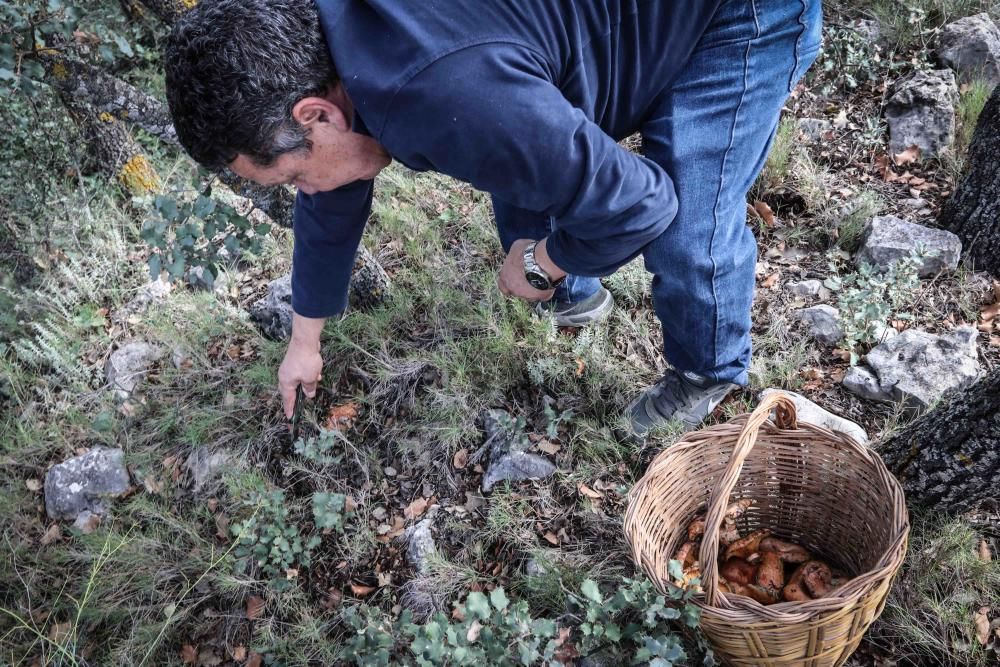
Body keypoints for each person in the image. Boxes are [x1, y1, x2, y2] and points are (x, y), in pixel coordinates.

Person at [164, 0, 822, 437]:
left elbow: (641, 203)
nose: (308, 190)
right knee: (519, 166)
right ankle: (573, 301)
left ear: (318, 115)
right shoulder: (330, 48)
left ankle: (708, 368)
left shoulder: (444, 91)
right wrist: (304, 338)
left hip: (734, 17)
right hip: (600, 29)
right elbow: (331, 192)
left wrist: (542, 261)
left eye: (295, 176)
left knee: (689, 224)